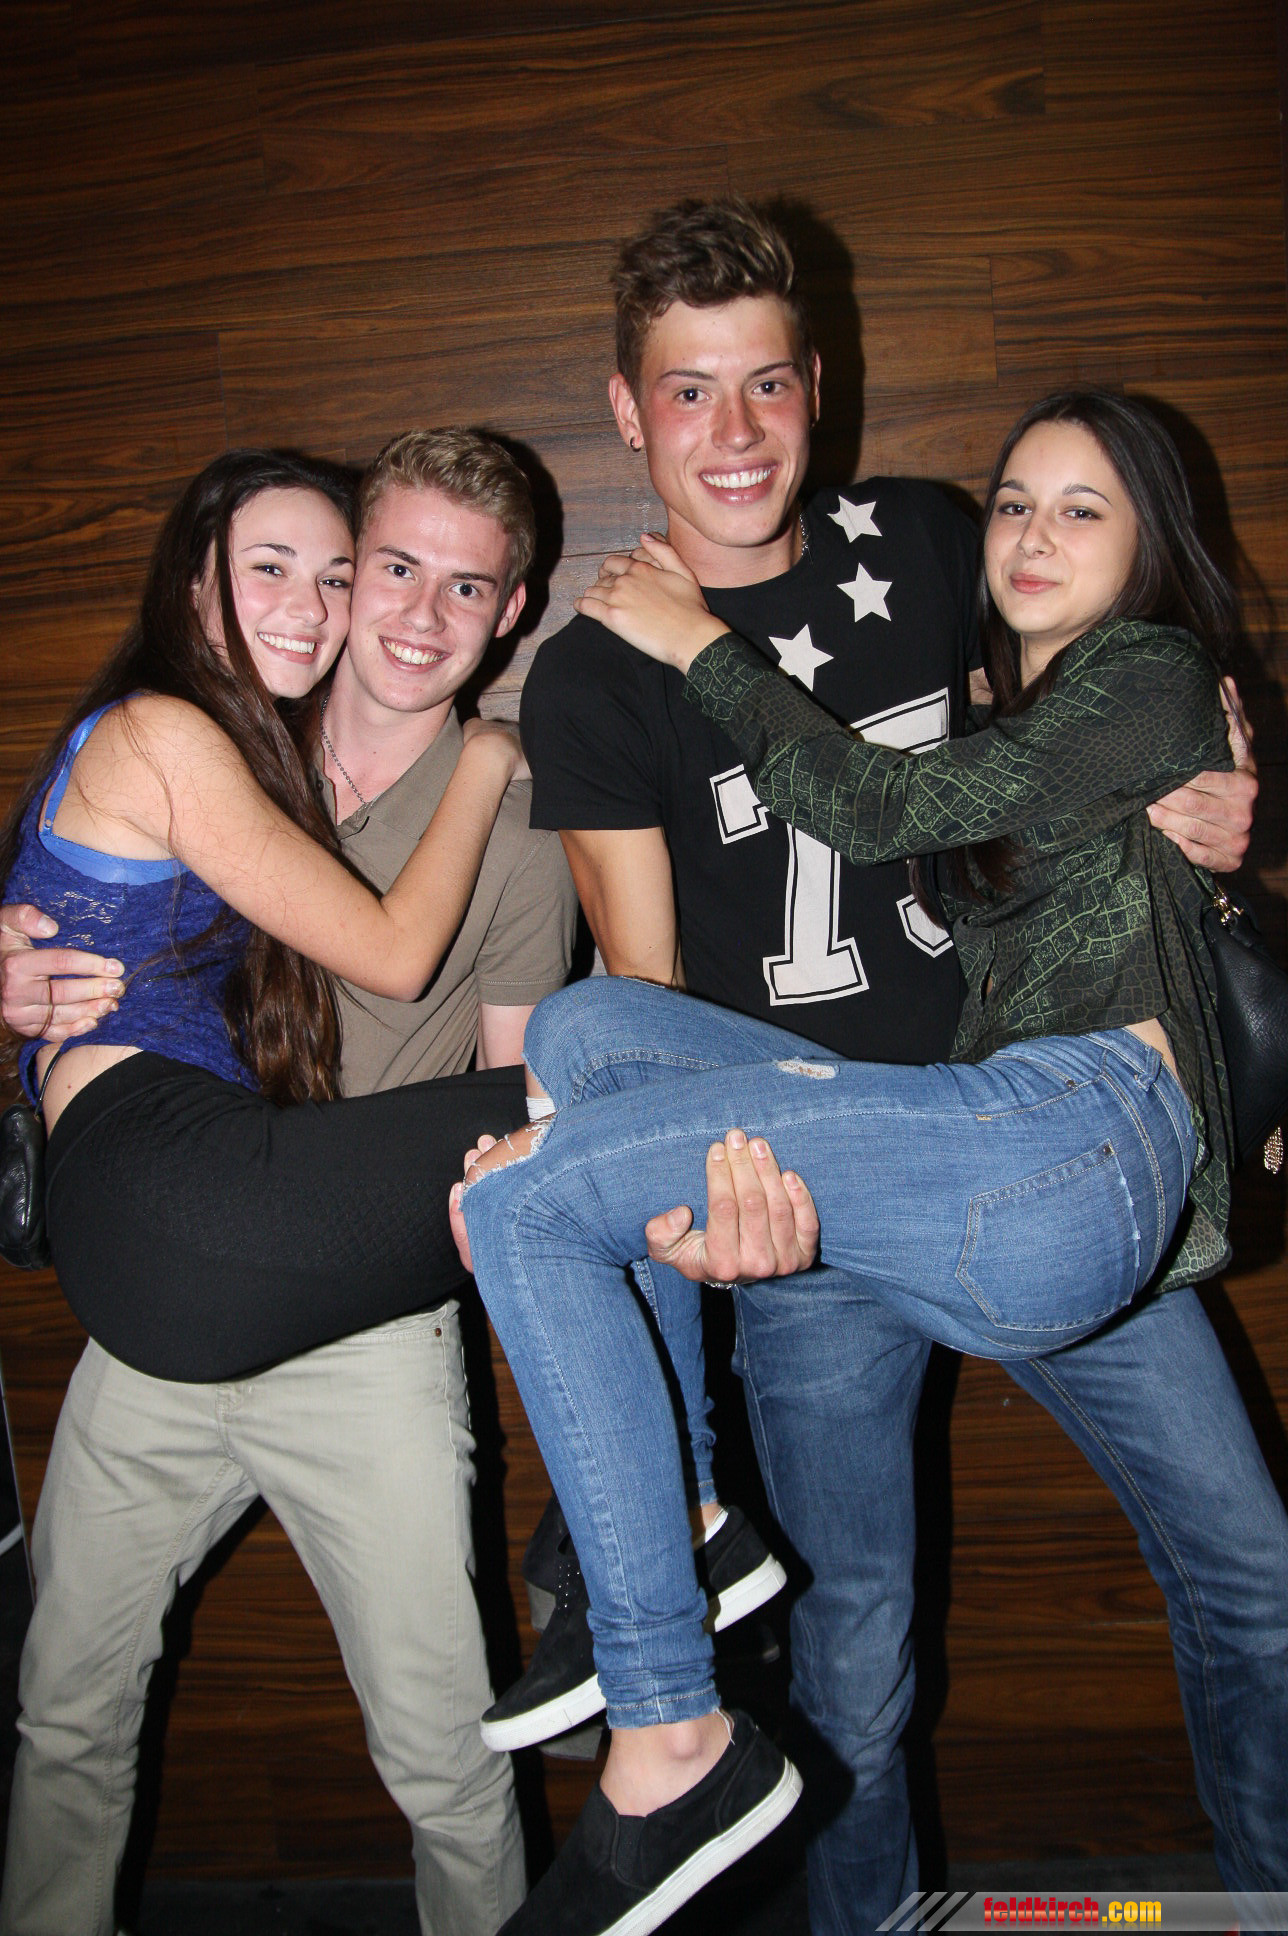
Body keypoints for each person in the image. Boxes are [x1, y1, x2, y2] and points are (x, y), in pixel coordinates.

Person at [504, 203, 1280, 1936]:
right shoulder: (598, 670)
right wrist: (696, 1215)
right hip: (811, 1214)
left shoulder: (936, 541)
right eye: (687, 392)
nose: (735, 432)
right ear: (627, 411)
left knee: (1256, 1573)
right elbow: (644, 982)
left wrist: (1219, 801)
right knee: (852, 1668)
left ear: (818, 383)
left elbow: (1081, 752)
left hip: (1032, 1119)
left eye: (767, 384)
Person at [0, 433, 574, 1936]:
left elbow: (511, 1104)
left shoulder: (519, 830)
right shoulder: (233, 739)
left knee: (447, 1760)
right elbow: (87, 892)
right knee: (63, 1714)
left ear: (510, 613)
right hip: (171, 1280)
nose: (412, 615)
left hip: (366, 1329)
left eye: (467, 588)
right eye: (388, 569)